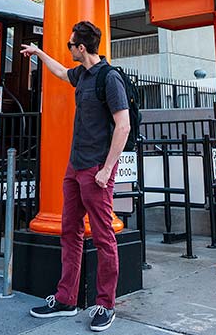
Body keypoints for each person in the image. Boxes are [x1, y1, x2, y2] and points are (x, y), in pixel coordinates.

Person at [23, 21, 130, 332]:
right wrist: (38, 53)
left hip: (96, 170)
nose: (68, 48)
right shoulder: (82, 74)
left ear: (81, 48)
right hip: (75, 168)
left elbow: (123, 126)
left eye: (70, 45)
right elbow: (60, 72)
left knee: (103, 236)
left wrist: (107, 169)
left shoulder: (109, 78)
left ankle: (105, 304)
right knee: (69, 232)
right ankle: (66, 299)